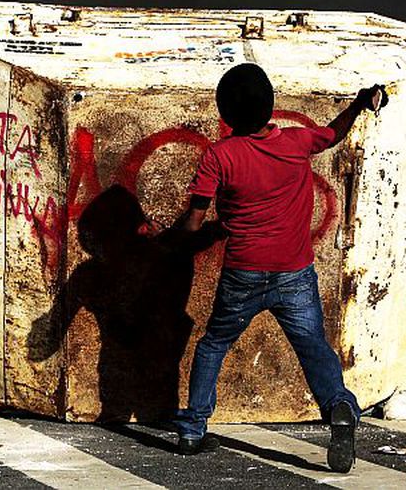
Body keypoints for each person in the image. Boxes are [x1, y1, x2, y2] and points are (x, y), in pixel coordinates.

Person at [161, 62, 385, 472]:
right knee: (314, 346)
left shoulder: (220, 155)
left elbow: (194, 221)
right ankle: (337, 405)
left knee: (214, 344)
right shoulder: (297, 142)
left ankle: (192, 428)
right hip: (295, 273)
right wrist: (358, 104)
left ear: (225, 112)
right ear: (270, 107)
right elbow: (335, 133)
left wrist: (168, 243)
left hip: (243, 272)